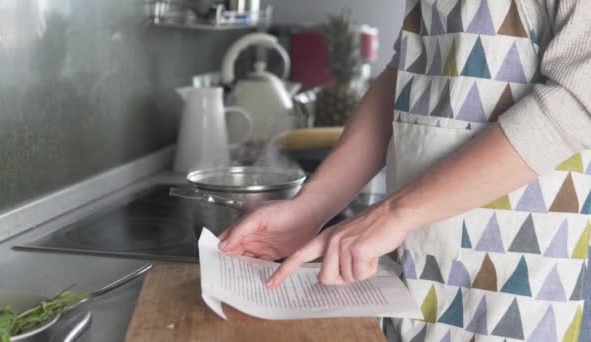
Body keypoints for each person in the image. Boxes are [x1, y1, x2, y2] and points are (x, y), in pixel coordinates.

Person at [219, 0, 591, 340]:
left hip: (512, 285)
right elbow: (404, 77)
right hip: (412, 272)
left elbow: (577, 100)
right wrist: (313, 206)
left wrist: (395, 213)